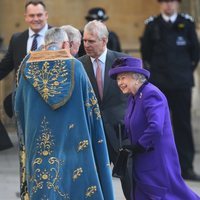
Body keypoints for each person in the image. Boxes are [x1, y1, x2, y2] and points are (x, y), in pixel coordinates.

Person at [14, 27, 115, 200]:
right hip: (73, 144)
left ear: (46, 43)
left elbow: (18, 108)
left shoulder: (26, 66)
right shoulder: (75, 67)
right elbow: (92, 109)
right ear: (65, 44)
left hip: (38, 145)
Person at [109, 56, 200, 200]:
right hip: (143, 159)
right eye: (118, 79)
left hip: (157, 159)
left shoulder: (151, 94)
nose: (120, 83)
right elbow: (137, 122)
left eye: (123, 78)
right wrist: (123, 130)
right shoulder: (134, 97)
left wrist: (139, 145)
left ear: (136, 77)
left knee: (168, 195)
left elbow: (156, 126)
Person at [140, 0, 200, 181]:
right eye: (165, 2)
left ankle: (186, 167)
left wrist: (183, 72)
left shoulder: (187, 24)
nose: (168, 5)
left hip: (181, 84)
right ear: (160, 4)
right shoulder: (152, 25)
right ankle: (159, 167)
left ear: (177, 3)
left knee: (182, 125)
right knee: (158, 125)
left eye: (172, 1)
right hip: (160, 85)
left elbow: (195, 54)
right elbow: (146, 54)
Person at [79, 20, 132, 200]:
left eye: (91, 41)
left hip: (120, 132)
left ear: (104, 40)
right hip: (92, 132)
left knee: (131, 182)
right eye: (84, 40)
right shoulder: (78, 66)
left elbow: (137, 95)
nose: (86, 45)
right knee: (95, 185)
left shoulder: (123, 62)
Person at [0, 0, 50, 118]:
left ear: (46, 15)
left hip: (50, 102)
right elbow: (4, 67)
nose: (36, 19)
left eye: (39, 15)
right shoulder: (17, 39)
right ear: (26, 17)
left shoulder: (58, 36)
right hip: (24, 102)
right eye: (32, 15)